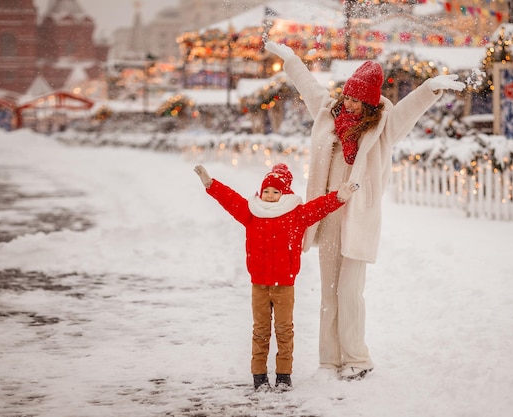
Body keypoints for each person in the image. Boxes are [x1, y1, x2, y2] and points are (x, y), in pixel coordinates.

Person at [265, 41, 466, 381]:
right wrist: (292, 61)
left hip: (358, 219)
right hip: (326, 215)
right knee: (329, 292)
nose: (350, 103)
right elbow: (309, 87)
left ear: (370, 102)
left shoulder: (382, 128)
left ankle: (357, 357)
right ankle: (329, 360)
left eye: (357, 99)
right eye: (348, 96)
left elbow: (407, 110)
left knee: (349, 292)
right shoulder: (329, 115)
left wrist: (430, 89)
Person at [194, 163, 358, 391]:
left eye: (275, 192)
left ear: (285, 193)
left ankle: (283, 376)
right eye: (266, 191)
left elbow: (318, 208)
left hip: (284, 285)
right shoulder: (252, 213)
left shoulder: (296, 215)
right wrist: (211, 184)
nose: (270, 196)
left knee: (284, 330)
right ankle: (259, 376)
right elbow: (230, 200)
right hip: (259, 284)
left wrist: (339, 197)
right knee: (260, 330)